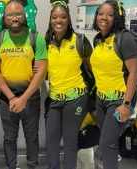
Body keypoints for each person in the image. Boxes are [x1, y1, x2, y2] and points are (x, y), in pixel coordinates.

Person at [0, 0, 48, 168]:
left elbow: (41, 72)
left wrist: (23, 99)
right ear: (5, 17)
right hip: (7, 99)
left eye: (18, 14)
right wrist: (12, 97)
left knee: (32, 138)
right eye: (10, 15)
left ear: (24, 15)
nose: (14, 18)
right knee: (9, 138)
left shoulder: (36, 38)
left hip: (31, 98)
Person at [43, 0, 93, 168]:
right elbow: (43, 73)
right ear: (50, 19)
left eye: (63, 17)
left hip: (76, 100)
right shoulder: (45, 44)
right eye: (55, 17)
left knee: (71, 142)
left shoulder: (80, 41)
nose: (59, 20)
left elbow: (93, 72)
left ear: (68, 18)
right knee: (51, 142)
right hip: (54, 99)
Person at [91, 1, 137, 169]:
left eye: (110, 14)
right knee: (108, 142)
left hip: (119, 101)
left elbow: (135, 72)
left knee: (106, 144)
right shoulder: (98, 40)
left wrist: (126, 104)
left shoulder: (124, 39)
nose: (104, 18)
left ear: (116, 18)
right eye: (101, 13)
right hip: (101, 100)